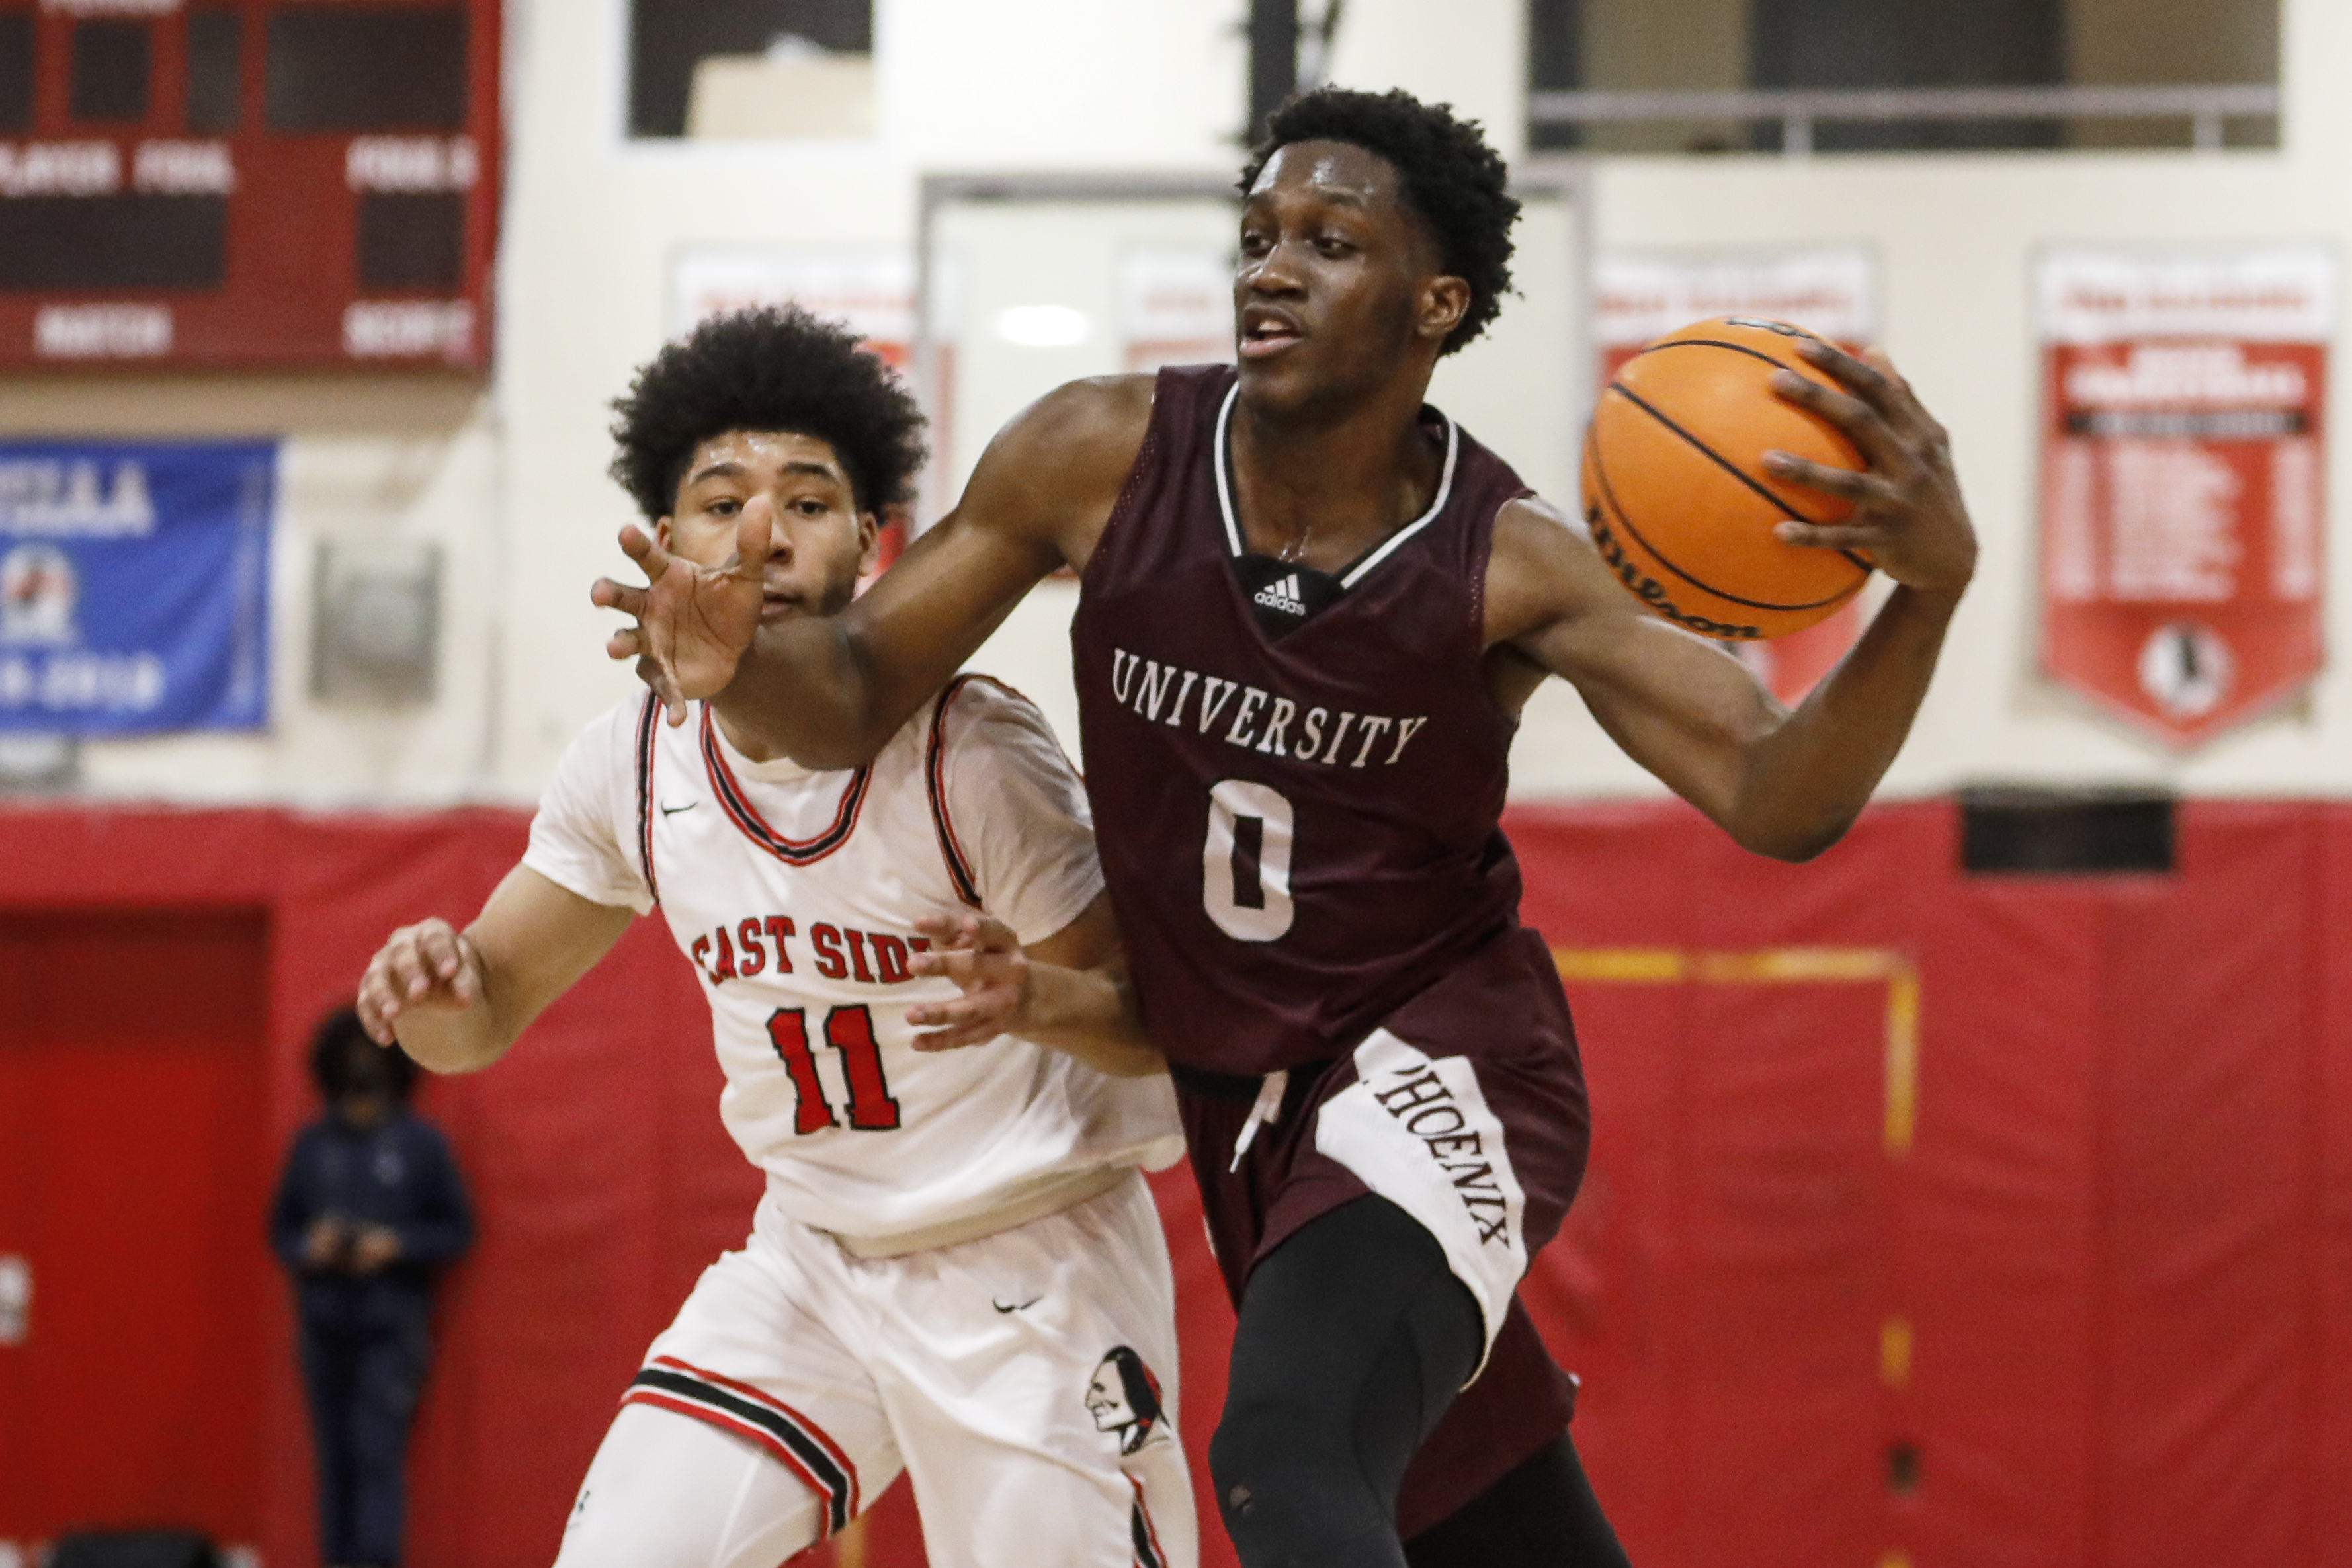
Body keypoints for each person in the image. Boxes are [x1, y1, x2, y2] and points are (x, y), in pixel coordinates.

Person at [596, 87, 1976, 1568]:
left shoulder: (1503, 565)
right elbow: (855, 686)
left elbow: (1776, 795)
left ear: (1434, 302)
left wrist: (1928, 590)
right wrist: (734, 667)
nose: (1270, 267)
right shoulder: (1097, 453)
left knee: (1284, 1457)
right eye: (1257, 235)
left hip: (1435, 1060)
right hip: (1246, 1102)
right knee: (1480, 1527)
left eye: (1328, 241)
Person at [356, 306, 1196, 1568]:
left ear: (871, 541)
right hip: (810, 1259)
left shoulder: (972, 751)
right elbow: (475, 1021)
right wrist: (430, 981)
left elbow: (1153, 1027)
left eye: (808, 501)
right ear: (662, 539)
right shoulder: (631, 762)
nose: (764, 529)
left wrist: (1031, 1000)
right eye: (720, 499)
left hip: (1031, 1258)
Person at [270, 1006, 474, 1568]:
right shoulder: (312, 1146)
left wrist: (395, 1245)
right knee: (333, 1461)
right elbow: (280, 1230)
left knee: (376, 1456)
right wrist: (312, 1246)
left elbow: (456, 1230)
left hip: (391, 1328)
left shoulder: (419, 1145)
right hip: (324, 1321)